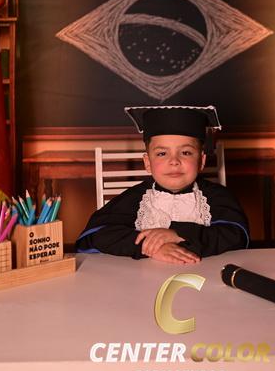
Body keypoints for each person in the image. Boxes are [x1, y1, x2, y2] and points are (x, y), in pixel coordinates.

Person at [76, 105, 249, 264]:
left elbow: (235, 235)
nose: (174, 161)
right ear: (147, 162)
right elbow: (99, 235)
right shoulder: (134, 198)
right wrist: (152, 247)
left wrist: (178, 233)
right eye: (162, 153)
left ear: (201, 161)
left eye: (186, 152)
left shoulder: (219, 196)